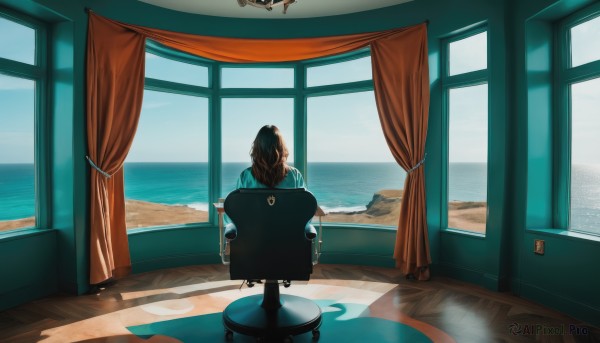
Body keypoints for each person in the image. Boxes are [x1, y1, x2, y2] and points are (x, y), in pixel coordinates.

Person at [235, 125, 305, 189]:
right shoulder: (295, 176)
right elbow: (305, 200)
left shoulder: (245, 177)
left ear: (257, 149)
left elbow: (236, 201)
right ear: (281, 148)